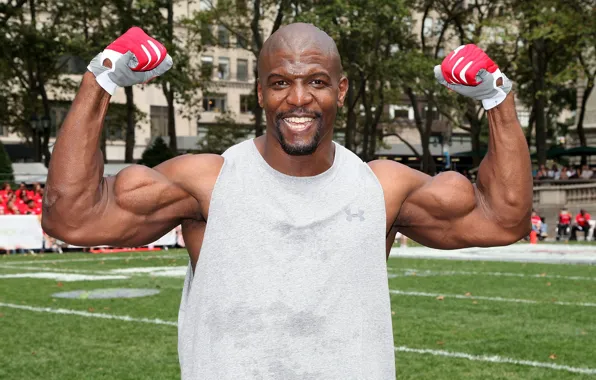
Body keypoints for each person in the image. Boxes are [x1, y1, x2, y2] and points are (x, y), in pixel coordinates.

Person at [41, 24, 532, 379]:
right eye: (281, 83)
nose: (298, 98)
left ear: (340, 90)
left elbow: (503, 219)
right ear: (260, 92)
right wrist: (101, 81)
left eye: (316, 81)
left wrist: (497, 99)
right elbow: (72, 217)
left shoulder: (381, 187)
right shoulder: (207, 182)